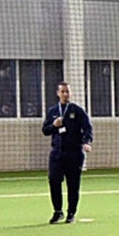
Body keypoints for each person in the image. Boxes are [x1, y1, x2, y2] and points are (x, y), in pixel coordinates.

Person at [41, 79, 93, 224]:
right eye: (62, 91)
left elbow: (88, 128)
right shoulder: (52, 112)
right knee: (53, 180)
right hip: (57, 153)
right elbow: (45, 130)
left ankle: (71, 213)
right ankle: (58, 211)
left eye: (67, 91)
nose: (65, 94)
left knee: (73, 184)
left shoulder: (77, 111)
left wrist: (86, 142)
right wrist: (54, 125)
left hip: (74, 153)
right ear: (58, 93)